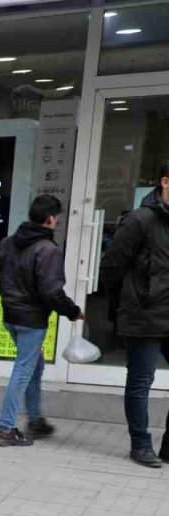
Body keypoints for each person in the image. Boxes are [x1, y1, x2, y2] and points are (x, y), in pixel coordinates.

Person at [0, 194, 83, 448]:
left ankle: (35, 420)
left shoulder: (9, 242)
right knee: (24, 370)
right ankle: (5, 429)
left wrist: (5, 291)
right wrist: (73, 311)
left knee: (34, 366)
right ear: (51, 219)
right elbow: (51, 292)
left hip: (11, 315)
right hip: (32, 320)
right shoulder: (48, 250)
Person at [100, 165, 169, 468]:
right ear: (165, 182)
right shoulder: (141, 220)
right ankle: (140, 445)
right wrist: (130, 300)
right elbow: (112, 265)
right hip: (144, 313)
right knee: (141, 380)